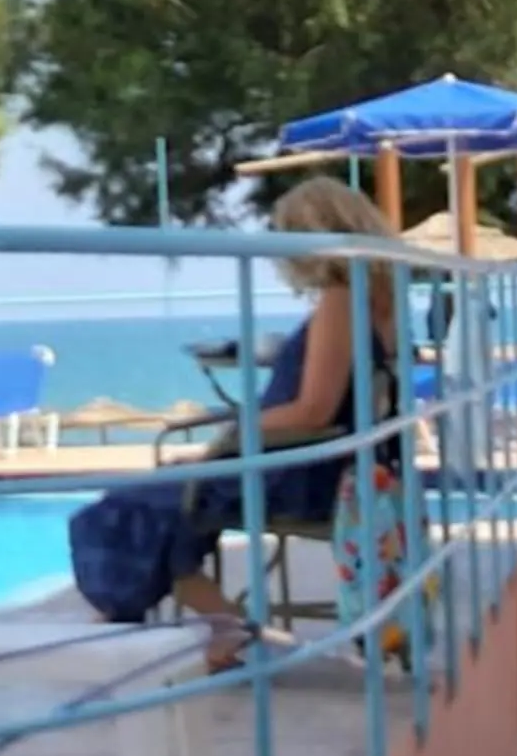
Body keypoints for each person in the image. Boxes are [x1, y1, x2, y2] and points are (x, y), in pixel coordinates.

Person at [69, 178, 400, 659]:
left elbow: (315, 409)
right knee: (169, 500)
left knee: (123, 508)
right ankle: (221, 626)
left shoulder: (341, 298)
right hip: (325, 463)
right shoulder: (381, 298)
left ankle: (216, 625)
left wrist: (236, 434)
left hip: (300, 470)